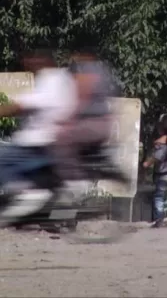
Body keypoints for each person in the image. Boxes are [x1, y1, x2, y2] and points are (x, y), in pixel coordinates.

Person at [0, 48, 78, 205]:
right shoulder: (64, 78)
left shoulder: (51, 78)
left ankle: (25, 193)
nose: (26, 64)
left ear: (41, 60)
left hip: (37, 144)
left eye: (30, 60)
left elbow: (25, 105)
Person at [52, 47, 115, 181]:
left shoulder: (85, 73)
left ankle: (71, 179)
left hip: (92, 123)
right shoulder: (101, 70)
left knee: (59, 139)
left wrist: (66, 120)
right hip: (103, 124)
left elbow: (82, 99)